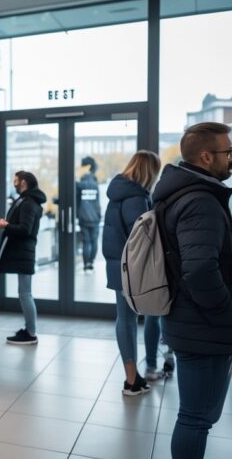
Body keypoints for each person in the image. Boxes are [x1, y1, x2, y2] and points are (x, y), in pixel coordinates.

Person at [151, 122, 232, 459]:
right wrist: (226, 310)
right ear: (205, 156)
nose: (231, 159)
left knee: (197, 415)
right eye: (228, 152)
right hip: (202, 325)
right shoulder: (200, 201)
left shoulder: (181, 193)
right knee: (196, 418)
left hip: (189, 321)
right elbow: (199, 269)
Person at [102, 150, 163, 395]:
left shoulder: (116, 193)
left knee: (124, 318)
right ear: (150, 172)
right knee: (149, 315)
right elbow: (143, 239)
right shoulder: (137, 198)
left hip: (118, 264)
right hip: (135, 268)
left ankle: (132, 377)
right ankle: (134, 378)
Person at [0, 171, 47, 345]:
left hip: (24, 251)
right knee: (24, 293)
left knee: (25, 294)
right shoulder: (28, 201)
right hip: (23, 252)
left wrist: (6, 225)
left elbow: (25, 229)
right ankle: (29, 329)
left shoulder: (28, 203)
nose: (14, 184)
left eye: (15, 181)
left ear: (23, 183)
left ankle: (31, 333)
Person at [77, 156, 101, 271]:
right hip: (95, 218)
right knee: (94, 241)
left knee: (86, 242)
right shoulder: (95, 185)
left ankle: (86, 264)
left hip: (83, 217)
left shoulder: (80, 185)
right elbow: (98, 202)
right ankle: (91, 262)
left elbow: (76, 201)